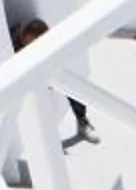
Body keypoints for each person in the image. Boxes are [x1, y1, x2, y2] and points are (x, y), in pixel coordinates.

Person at [10, 15, 97, 146]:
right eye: (30, 43)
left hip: (44, 74)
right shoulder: (15, 49)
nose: (33, 45)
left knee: (71, 87)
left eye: (37, 42)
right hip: (25, 82)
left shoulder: (49, 48)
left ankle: (82, 120)